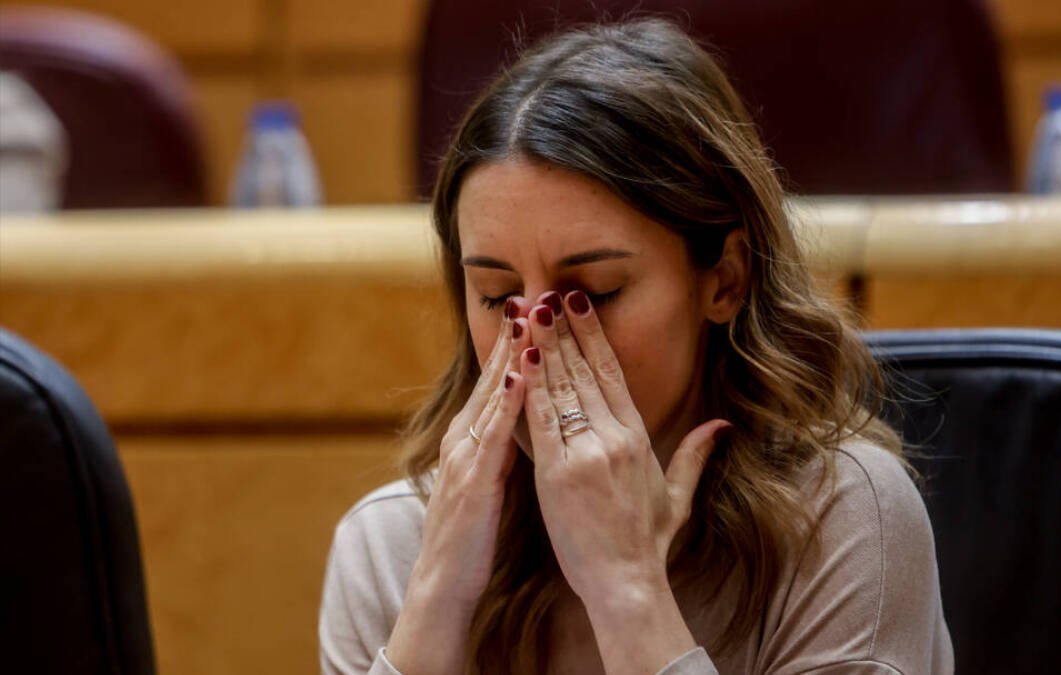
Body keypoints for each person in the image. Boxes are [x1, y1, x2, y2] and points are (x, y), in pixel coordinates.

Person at [320, 18, 952, 675]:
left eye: (592, 292)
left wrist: (627, 589)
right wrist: (437, 597)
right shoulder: (390, 543)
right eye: (497, 295)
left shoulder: (843, 518)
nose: (537, 330)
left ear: (726, 278)